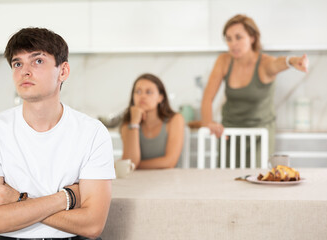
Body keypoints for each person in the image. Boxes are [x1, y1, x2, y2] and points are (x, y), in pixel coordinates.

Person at [0, 27, 115, 239]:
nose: (24, 71)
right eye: (17, 63)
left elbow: (92, 225)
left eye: (37, 61)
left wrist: (18, 200)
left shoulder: (92, 132)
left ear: (63, 71)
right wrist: (68, 198)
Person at [191, 14, 309, 167]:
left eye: (238, 37)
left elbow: (278, 63)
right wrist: (209, 122)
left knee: (258, 180)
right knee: (226, 181)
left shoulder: (264, 63)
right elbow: (207, 98)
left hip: (260, 134)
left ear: (252, 38)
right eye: (229, 39)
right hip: (229, 134)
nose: (233, 44)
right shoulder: (224, 61)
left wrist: (292, 61)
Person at [120, 73, 185, 169]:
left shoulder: (175, 120)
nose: (142, 96)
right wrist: (134, 123)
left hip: (170, 180)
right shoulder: (128, 125)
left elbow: (169, 162)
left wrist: (136, 165)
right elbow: (131, 161)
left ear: (160, 97)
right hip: (137, 181)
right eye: (138, 92)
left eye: (149, 92)